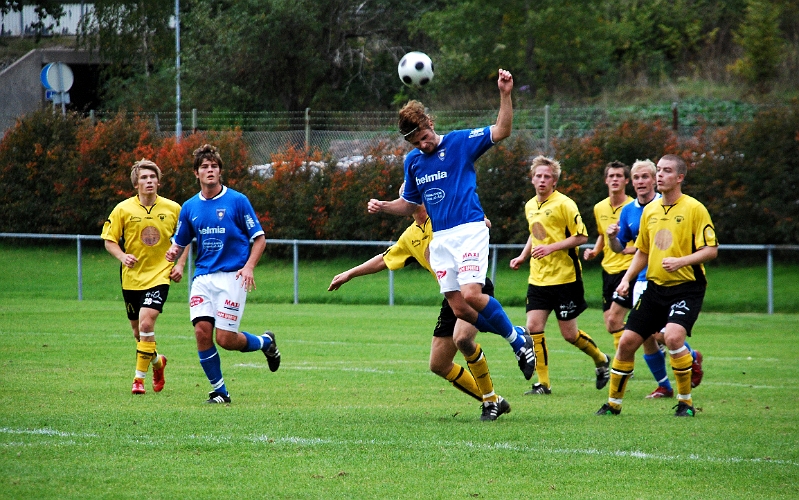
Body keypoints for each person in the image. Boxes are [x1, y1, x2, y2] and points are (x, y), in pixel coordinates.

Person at [366, 68, 536, 382]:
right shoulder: (413, 162)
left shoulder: (460, 143)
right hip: (440, 240)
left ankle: (516, 341)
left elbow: (502, 130)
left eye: (425, 137)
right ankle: (517, 335)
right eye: (417, 143)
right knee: (460, 310)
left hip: (469, 229)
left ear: (431, 124)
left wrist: (505, 94)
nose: (424, 145)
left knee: (473, 294)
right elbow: (410, 204)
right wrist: (384, 206)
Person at [329, 192, 511, 421]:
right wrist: (349, 274)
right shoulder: (410, 236)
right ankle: (493, 399)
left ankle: (492, 396)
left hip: (472, 286)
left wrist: (479, 223)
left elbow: (482, 221)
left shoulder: (445, 215)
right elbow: (383, 260)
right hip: (451, 296)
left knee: (463, 339)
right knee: (439, 364)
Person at [596, 154, 718, 417]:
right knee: (626, 342)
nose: (660, 175)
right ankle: (613, 404)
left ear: (680, 178)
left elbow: (711, 250)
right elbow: (642, 251)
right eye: (659, 170)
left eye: (666, 171)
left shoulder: (694, 208)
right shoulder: (649, 211)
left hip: (687, 287)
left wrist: (682, 261)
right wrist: (626, 280)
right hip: (655, 288)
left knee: (673, 338)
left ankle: (685, 403)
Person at [165, 144, 280, 404]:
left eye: (214, 166)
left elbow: (259, 239)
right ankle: (220, 391)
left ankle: (266, 343)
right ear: (196, 173)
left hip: (232, 276)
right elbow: (180, 241)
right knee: (202, 332)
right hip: (203, 278)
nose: (209, 170)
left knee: (226, 339)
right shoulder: (190, 206)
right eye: (204, 167)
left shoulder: (237, 201)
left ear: (220, 172)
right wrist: (174, 254)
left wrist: (249, 266)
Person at [510, 156, 611, 395]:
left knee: (569, 334)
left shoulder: (565, 204)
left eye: (547, 177)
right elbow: (535, 235)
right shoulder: (530, 205)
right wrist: (523, 256)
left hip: (565, 278)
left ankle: (601, 359)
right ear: (532, 178)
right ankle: (543, 384)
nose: (542, 180)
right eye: (539, 176)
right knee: (534, 327)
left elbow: (581, 237)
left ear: (554, 181)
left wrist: (552, 247)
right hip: (538, 279)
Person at [101, 159, 189, 395]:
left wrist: (180, 264)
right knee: (138, 333)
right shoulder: (123, 209)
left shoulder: (173, 208)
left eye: (152, 177)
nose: (149, 181)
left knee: (147, 322)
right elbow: (109, 241)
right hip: (132, 278)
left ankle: (138, 379)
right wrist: (122, 256)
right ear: (136, 183)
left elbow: (186, 237)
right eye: (144, 178)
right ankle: (158, 363)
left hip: (160, 274)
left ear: (158, 181)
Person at [582, 161, 634, 352]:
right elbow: (602, 234)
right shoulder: (599, 207)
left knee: (615, 319)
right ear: (606, 180)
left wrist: (629, 250)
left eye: (619, 176)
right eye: (611, 176)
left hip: (628, 269)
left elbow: (645, 240)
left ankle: (623, 363)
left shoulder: (634, 207)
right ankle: (645, 337)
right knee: (611, 324)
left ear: (626, 180)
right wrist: (595, 251)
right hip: (608, 270)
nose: (614, 179)